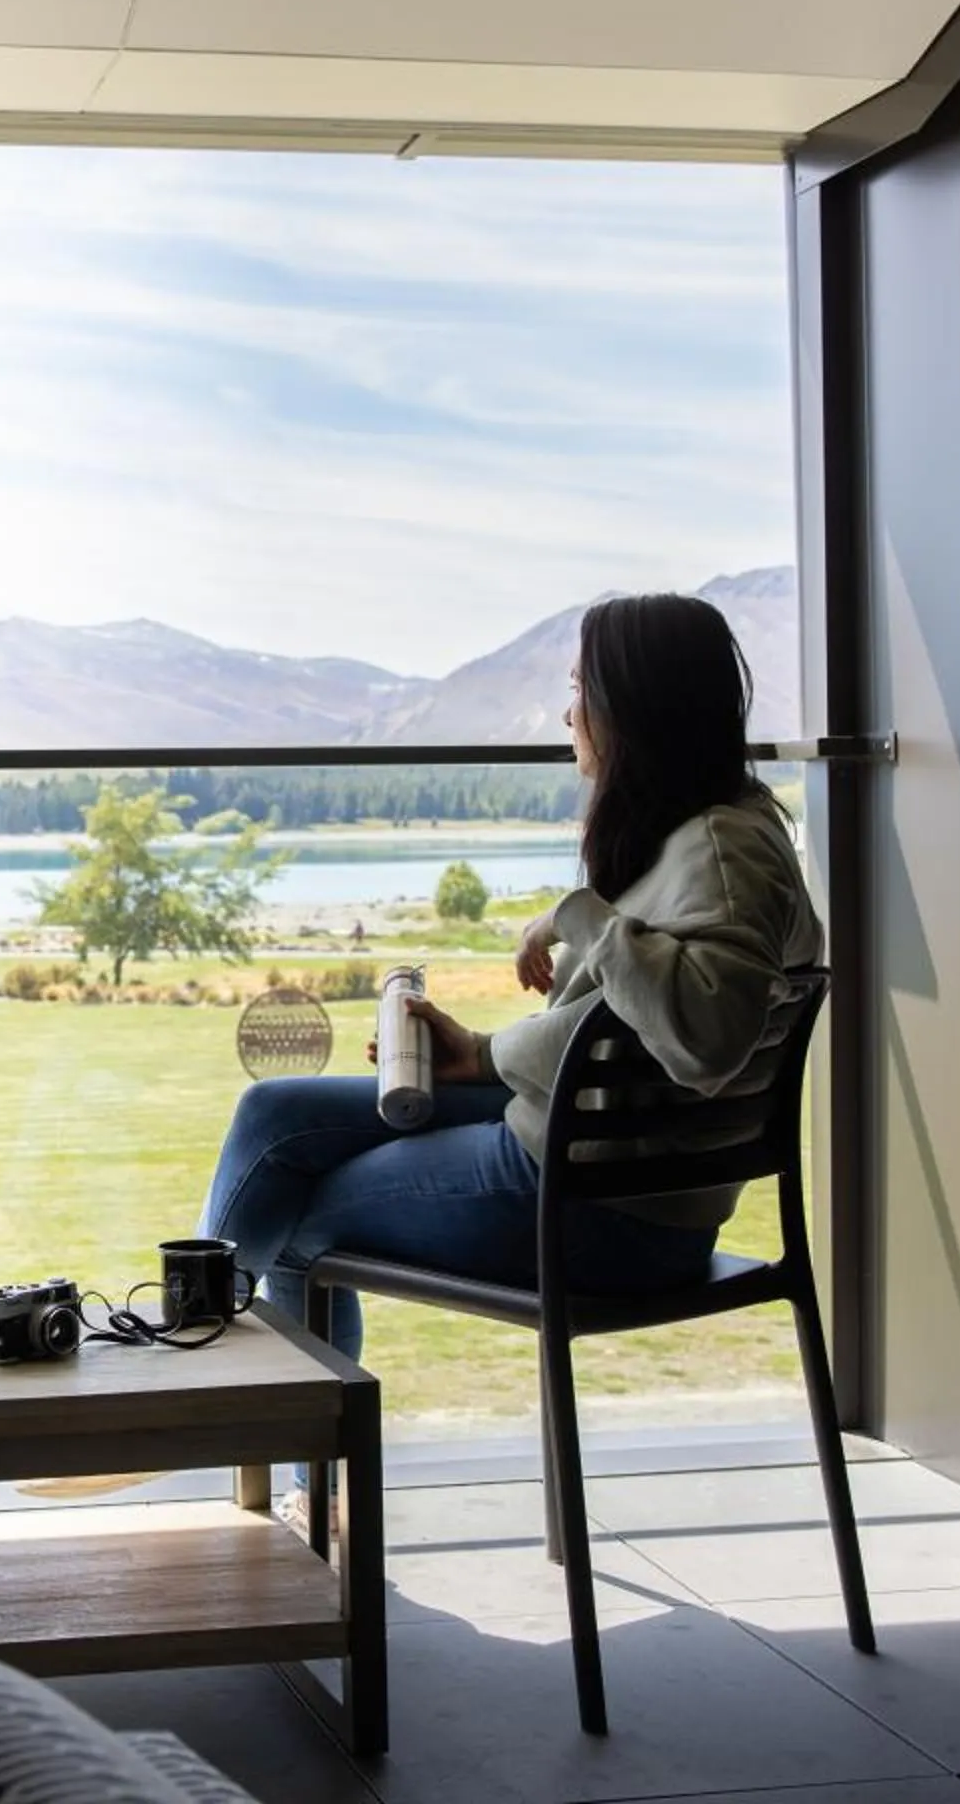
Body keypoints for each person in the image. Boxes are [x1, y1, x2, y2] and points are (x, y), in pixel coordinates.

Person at [197, 593, 820, 1524]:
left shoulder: (724, 855)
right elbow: (626, 1031)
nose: (570, 716)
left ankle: (214, 1414)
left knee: (289, 1214)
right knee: (275, 1117)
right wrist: (480, 1053)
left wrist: (579, 915)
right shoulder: (715, 831)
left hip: (597, 1214)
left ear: (637, 708)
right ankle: (223, 1394)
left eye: (582, 692)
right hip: (590, 1162)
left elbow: (703, 1043)